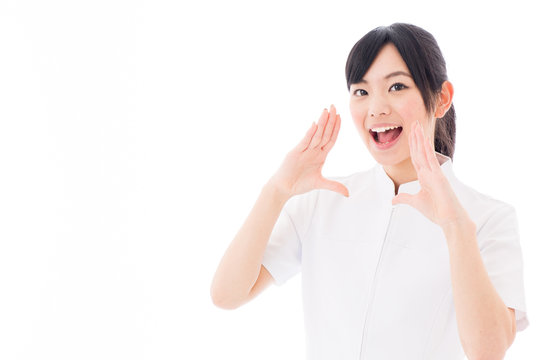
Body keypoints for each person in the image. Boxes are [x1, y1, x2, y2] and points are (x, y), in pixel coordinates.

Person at [210, 23, 528, 359]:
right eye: (361, 91)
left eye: (396, 86)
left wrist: (455, 226)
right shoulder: (324, 199)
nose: (376, 108)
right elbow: (226, 294)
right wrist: (277, 190)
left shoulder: (487, 218)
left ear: (442, 98)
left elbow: (488, 350)